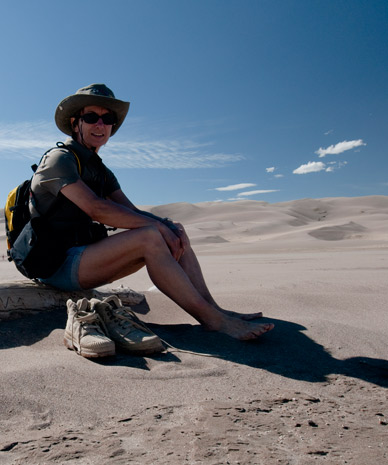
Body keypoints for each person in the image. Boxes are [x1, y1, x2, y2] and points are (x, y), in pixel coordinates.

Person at [24, 84, 273, 352]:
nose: (100, 124)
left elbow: (131, 212)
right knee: (149, 237)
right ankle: (212, 320)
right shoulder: (59, 159)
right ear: (75, 123)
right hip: (55, 264)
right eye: (91, 117)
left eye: (107, 119)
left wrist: (167, 227)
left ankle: (216, 309)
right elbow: (98, 209)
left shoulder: (100, 170)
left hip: (85, 256)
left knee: (172, 229)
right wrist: (156, 228)